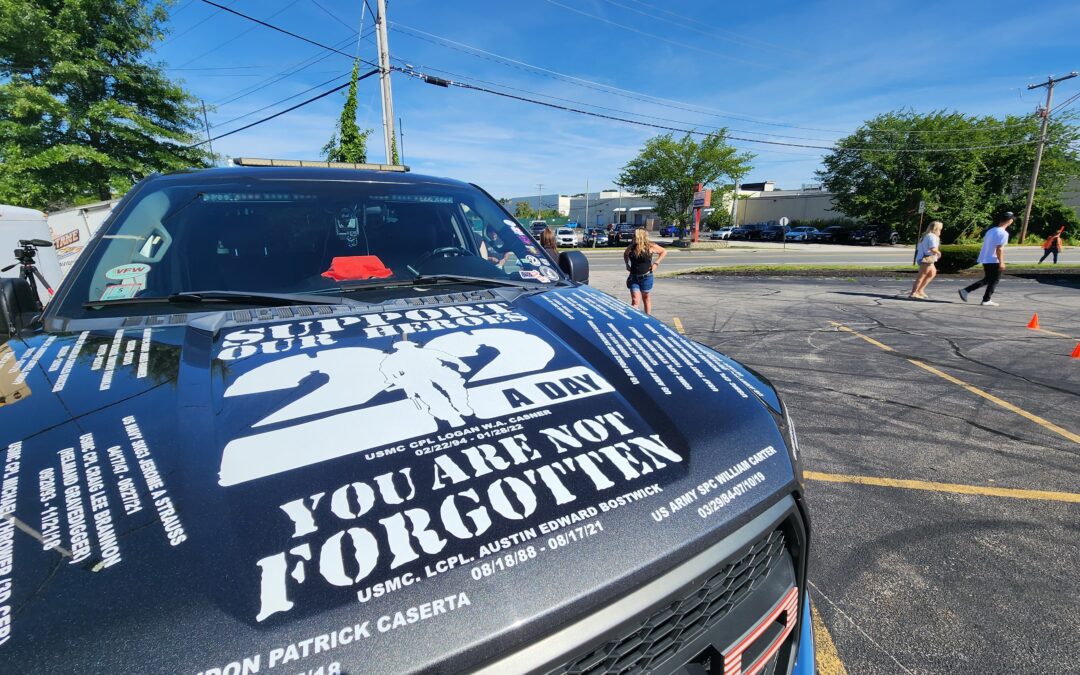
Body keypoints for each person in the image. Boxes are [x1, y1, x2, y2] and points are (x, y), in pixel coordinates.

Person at [959, 212, 1013, 306]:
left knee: (988, 279)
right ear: (1010, 221)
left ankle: (966, 291)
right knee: (994, 280)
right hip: (994, 260)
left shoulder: (991, 230)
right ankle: (986, 299)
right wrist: (1002, 262)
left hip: (986, 258)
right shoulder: (1004, 233)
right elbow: (999, 249)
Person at [623, 227, 667, 314]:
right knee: (635, 301)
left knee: (646, 298)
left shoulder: (650, 246)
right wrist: (627, 264)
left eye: (634, 235)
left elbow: (664, 251)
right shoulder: (631, 247)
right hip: (633, 277)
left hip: (646, 277)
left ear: (640, 236)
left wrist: (656, 263)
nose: (633, 236)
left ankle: (648, 318)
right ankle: (634, 319)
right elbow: (625, 254)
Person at [910, 220, 943, 299]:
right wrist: (939, 253)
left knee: (932, 273)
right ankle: (914, 293)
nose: (941, 231)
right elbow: (932, 248)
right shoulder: (932, 236)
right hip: (927, 258)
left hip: (924, 257)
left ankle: (920, 290)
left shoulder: (926, 235)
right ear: (936, 229)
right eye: (940, 229)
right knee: (922, 276)